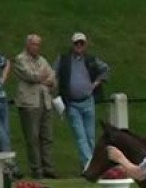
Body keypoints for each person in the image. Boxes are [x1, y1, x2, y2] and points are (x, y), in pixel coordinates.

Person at [54, 32, 110, 171]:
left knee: (90, 136)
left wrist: (96, 83)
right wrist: (54, 86)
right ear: (72, 45)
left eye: (81, 43)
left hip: (88, 101)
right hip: (72, 103)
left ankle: (92, 164)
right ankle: (89, 164)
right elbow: (52, 73)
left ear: (85, 45)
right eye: (76, 43)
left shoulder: (90, 59)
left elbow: (105, 69)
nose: (79, 46)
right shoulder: (64, 59)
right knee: (80, 136)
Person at [13, 34, 58, 179]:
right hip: (29, 103)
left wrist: (47, 79)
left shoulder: (42, 59)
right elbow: (30, 76)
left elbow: (53, 77)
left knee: (47, 137)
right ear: (27, 45)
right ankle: (36, 169)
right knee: (32, 138)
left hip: (45, 101)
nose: (36, 47)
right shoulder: (20, 59)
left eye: (38, 44)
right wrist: (43, 77)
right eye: (33, 44)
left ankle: (49, 168)